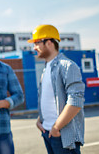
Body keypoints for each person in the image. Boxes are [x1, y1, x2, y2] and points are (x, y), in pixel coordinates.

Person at [28, 24, 85, 154]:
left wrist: (56, 128)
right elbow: (50, 99)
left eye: (37, 43)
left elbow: (75, 102)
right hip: (47, 132)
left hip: (61, 135)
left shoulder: (68, 66)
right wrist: (40, 119)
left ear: (49, 43)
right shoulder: (46, 68)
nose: (34, 48)